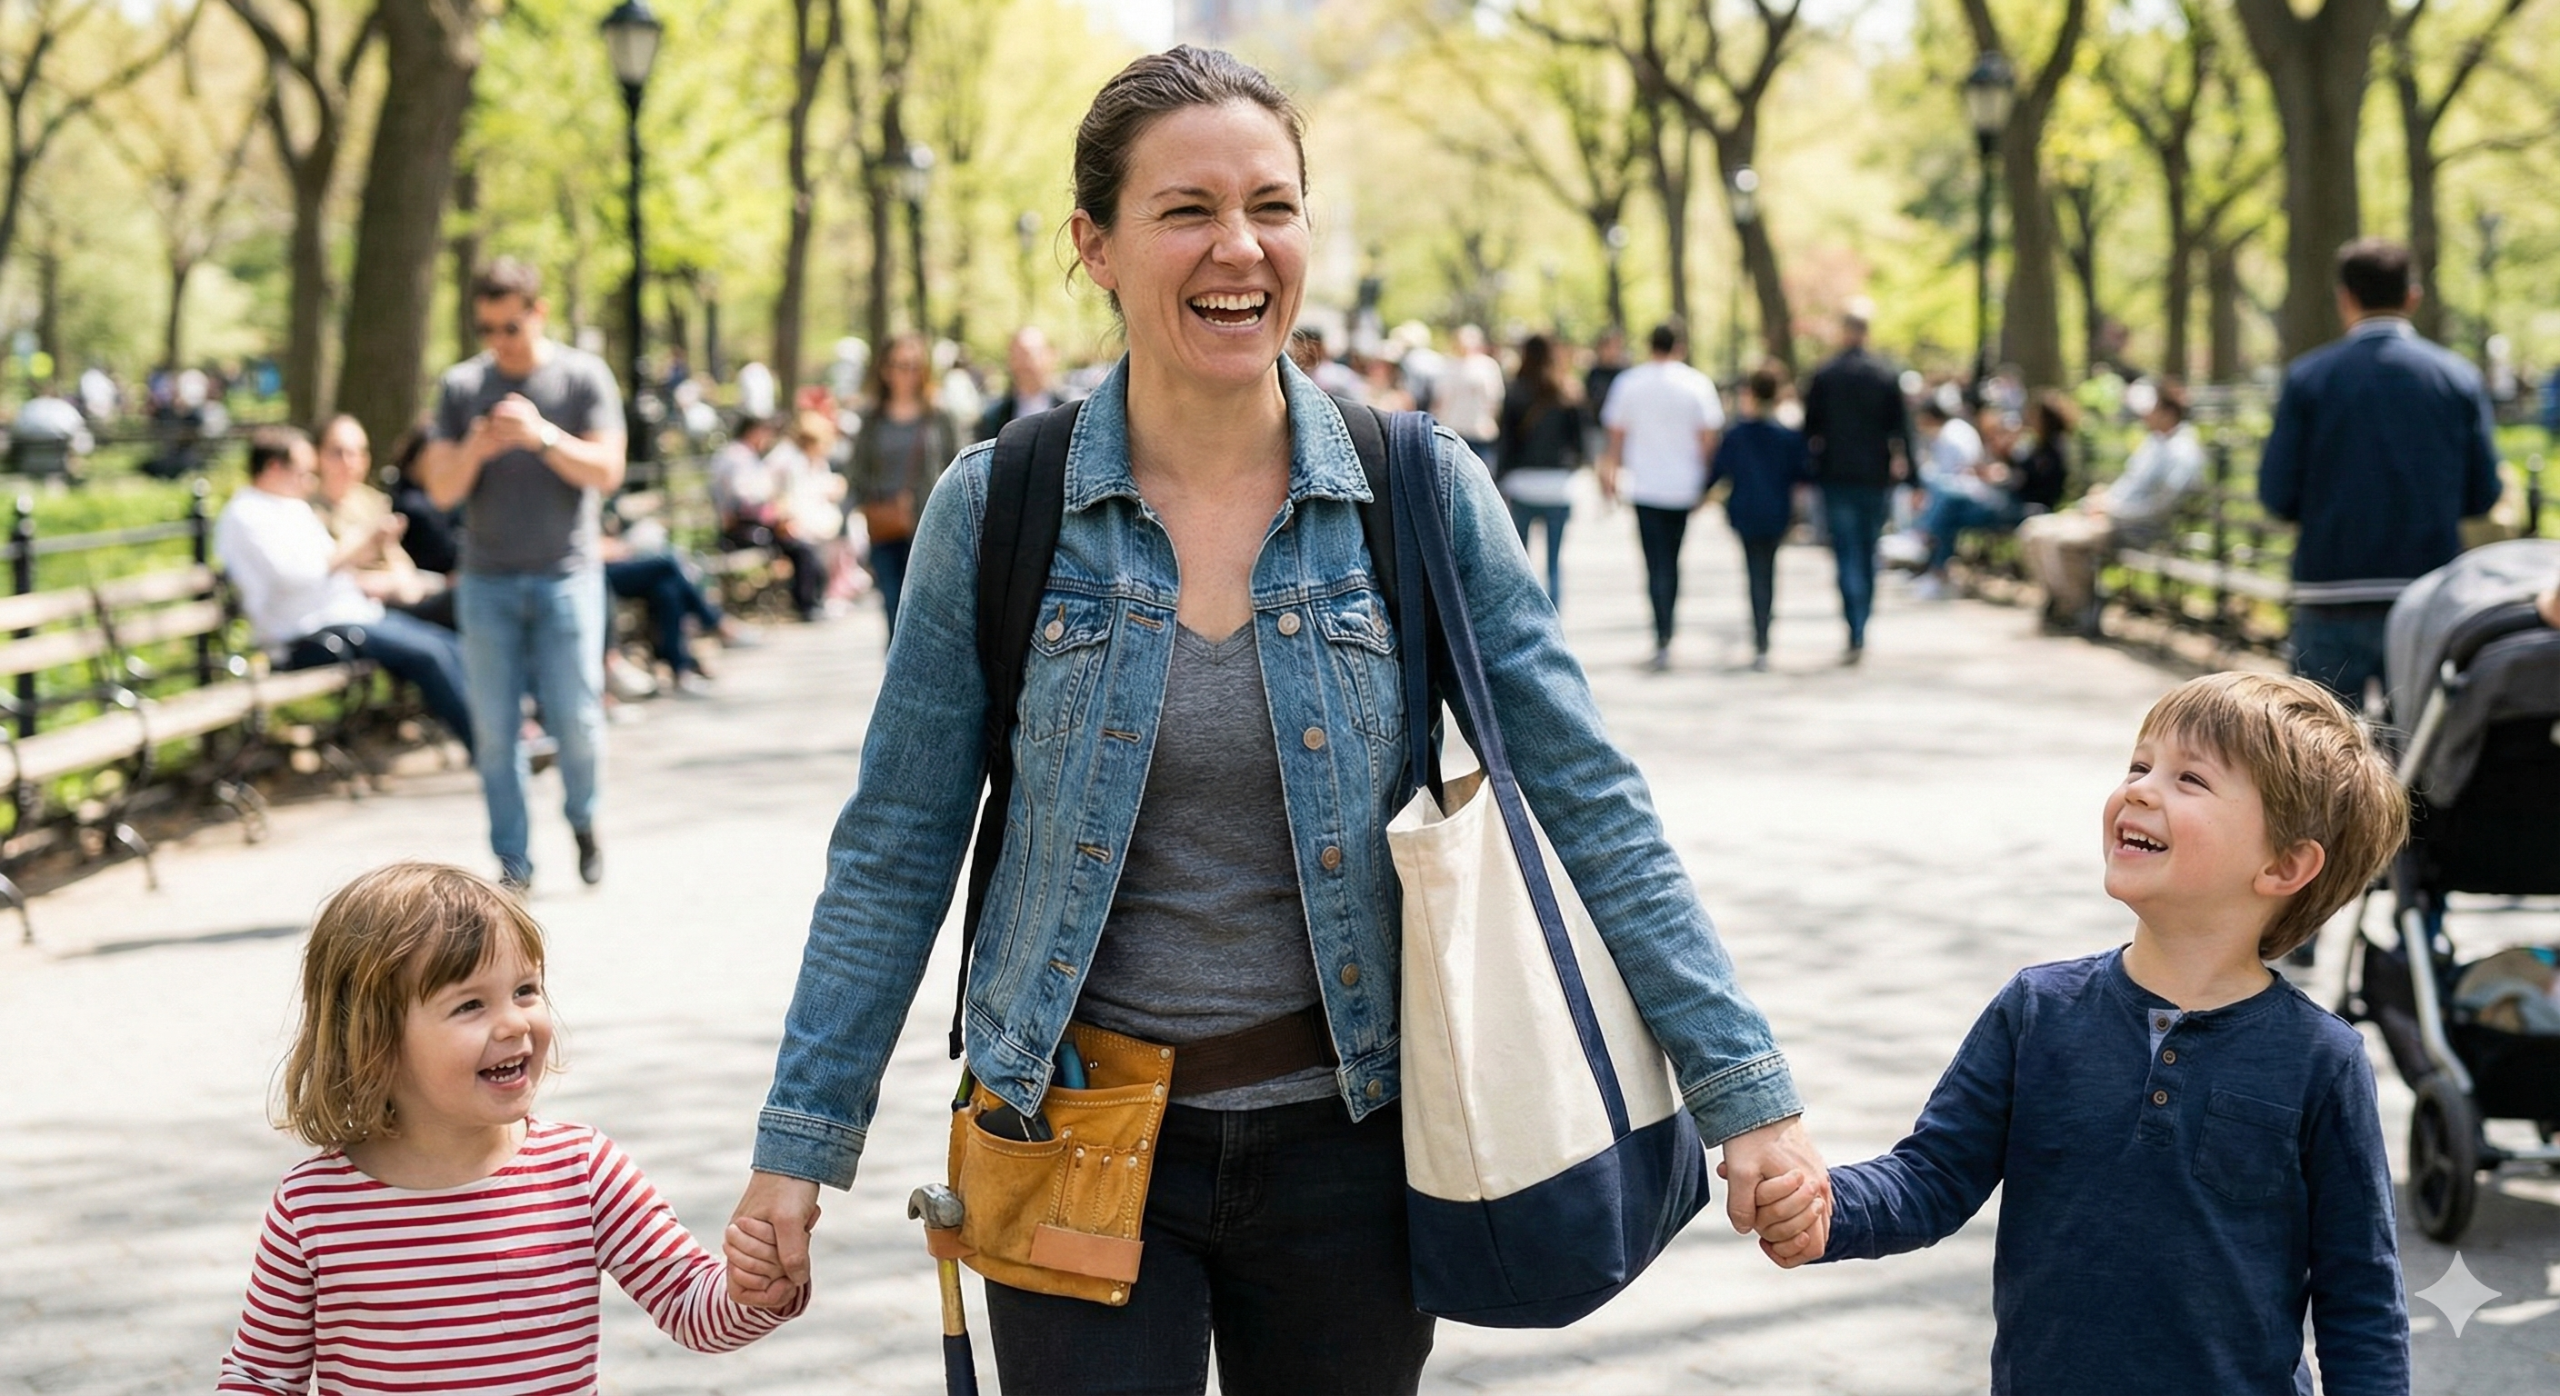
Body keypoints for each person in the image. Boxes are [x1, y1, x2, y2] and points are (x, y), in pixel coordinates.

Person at [723, 46, 1827, 1396]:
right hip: (1066, 1130)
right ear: (1094, 245)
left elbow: (1590, 799)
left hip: (1351, 1147)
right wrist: (799, 1147)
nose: (1237, 247)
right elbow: (895, 846)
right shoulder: (999, 504)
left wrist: (1746, 1095)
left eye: (1272, 206)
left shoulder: (1414, 489)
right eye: (1186, 209)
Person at [1798, 672, 2410, 1395]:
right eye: (2139, 765)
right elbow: (1932, 1177)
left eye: (2190, 779)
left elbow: (2361, 1297)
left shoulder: (2321, 1061)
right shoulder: (2039, 1010)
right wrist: (1825, 1206)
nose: (2141, 790)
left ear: (2284, 865)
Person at [216, 862, 801, 1390]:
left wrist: (752, 1289)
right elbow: (261, 1375)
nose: (514, 1023)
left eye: (525, 991)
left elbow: (691, 1307)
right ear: (374, 1039)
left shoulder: (581, 1171)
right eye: (470, 1005)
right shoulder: (314, 1206)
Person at [417, 257, 627, 891]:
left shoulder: (582, 376)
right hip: (487, 582)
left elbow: (608, 470)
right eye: (486, 329)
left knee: (577, 720)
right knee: (494, 731)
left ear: (538, 313)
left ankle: (584, 819)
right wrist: (476, 447)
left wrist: (541, 437)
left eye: (509, 327)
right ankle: (512, 863)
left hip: (567, 576)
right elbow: (441, 489)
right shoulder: (461, 387)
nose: (498, 342)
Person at [2258, 237, 2502, 711]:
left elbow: (2276, 493)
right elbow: (2483, 494)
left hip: (2329, 588)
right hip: (2425, 593)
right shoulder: (2456, 377)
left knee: (2319, 743)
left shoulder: (2309, 378)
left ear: (2345, 297)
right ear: (2413, 296)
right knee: (2419, 746)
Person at [215, 427, 475, 758]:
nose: (310, 482)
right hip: (305, 634)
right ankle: (488, 749)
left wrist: (373, 547)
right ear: (274, 468)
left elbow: (329, 565)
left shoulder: (289, 507)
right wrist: (358, 544)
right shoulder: (247, 515)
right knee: (429, 655)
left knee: (446, 644)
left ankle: (503, 736)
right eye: (304, 472)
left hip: (345, 616)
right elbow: (299, 575)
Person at [2018, 382, 2209, 634]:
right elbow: (2129, 487)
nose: (2145, 415)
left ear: (2168, 413)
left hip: (2137, 529)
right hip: (2112, 517)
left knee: (2063, 542)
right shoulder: (2154, 442)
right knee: (2033, 530)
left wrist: (2111, 509)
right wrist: (2101, 499)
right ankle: (2060, 601)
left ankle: (2080, 607)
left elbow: (2161, 507)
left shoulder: (2183, 452)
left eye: (2152, 409)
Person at [1600, 322, 1725, 671]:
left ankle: (1662, 632)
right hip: (1683, 486)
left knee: (1654, 561)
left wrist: (1610, 473)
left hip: (1644, 486)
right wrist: (1707, 481)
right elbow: (1708, 438)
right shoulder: (1697, 384)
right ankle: (1667, 629)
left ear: (1649, 345)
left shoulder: (1629, 382)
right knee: (1672, 558)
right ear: (1680, 346)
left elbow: (1616, 435)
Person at [1802, 301, 1916, 664]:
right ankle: (1861, 621)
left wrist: (1805, 472)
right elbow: (1903, 430)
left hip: (1836, 476)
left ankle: (1854, 622)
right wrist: (1914, 478)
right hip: (1873, 477)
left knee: (1845, 551)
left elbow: (1809, 429)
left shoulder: (1826, 374)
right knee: (1867, 550)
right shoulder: (1884, 374)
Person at [846, 330, 960, 645]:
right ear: (885, 370)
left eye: (913, 366)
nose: (906, 374)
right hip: (884, 525)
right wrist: (851, 519)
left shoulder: (939, 415)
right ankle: (896, 674)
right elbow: (856, 470)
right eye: (899, 365)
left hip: (931, 526)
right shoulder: (872, 418)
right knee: (894, 608)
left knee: (930, 612)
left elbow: (959, 468)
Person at [1707, 365, 1810, 669]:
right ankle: (1764, 634)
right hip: (1776, 512)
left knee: (1755, 572)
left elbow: (1719, 470)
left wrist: (1700, 494)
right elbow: (1803, 472)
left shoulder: (1737, 434)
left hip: (1746, 511)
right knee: (1768, 570)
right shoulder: (1787, 436)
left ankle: (1760, 634)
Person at [309, 414, 450, 627]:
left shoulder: (373, 501)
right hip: (348, 607)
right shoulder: (305, 508)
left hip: (393, 596)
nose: (349, 462)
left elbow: (396, 558)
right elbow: (317, 571)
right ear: (317, 455)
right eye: (338, 452)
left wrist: (405, 583)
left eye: (357, 453)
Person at [1493, 332, 1587, 604]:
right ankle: (1554, 617)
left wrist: (1499, 481)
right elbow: (1580, 443)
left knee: (1520, 560)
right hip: (1558, 484)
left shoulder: (1515, 391)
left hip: (1523, 483)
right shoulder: (1567, 391)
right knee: (1554, 561)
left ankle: (1523, 615)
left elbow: (1505, 443)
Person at [975, 325, 1065, 442]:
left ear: (1051, 356)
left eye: (1030, 355)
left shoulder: (1071, 410)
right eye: (1017, 355)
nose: (1024, 363)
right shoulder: (994, 417)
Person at [1433, 323, 1506, 468]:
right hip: (1453, 430)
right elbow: (1440, 399)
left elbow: (1495, 398)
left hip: (1478, 431)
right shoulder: (1449, 366)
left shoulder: (1487, 366)